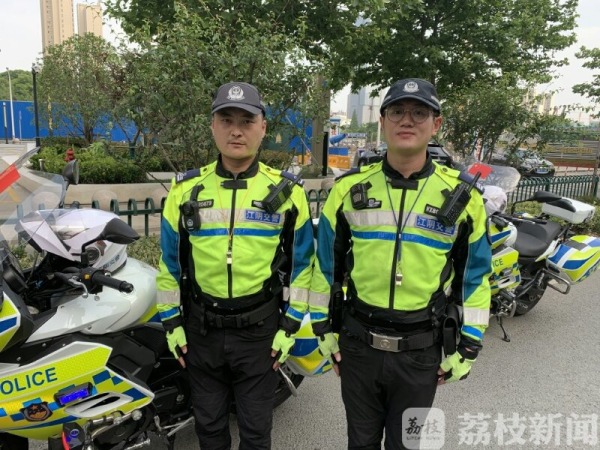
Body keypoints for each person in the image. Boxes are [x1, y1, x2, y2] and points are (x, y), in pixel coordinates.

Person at [309, 78, 492, 449]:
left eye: (419, 112)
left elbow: (474, 279)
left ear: (436, 124)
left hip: (420, 352)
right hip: (359, 347)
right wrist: (323, 330)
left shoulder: (463, 198)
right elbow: (326, 269)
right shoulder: (347, 190)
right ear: (382, 120)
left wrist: (469, 347)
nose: (407, 120)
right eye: (397, 111)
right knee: (360, 442)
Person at [156, 81, 314, 449]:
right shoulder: (184, 191)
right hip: (201, 331)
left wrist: (290, 326)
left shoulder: (288, 193)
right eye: (226, 120)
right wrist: (172, 323)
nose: (236, 130)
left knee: (256, 433)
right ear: (213, 126)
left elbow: (303, 267)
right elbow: (169, 264)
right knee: (209, 431)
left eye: (247, 120)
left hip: (260, 333)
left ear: (263, 127)